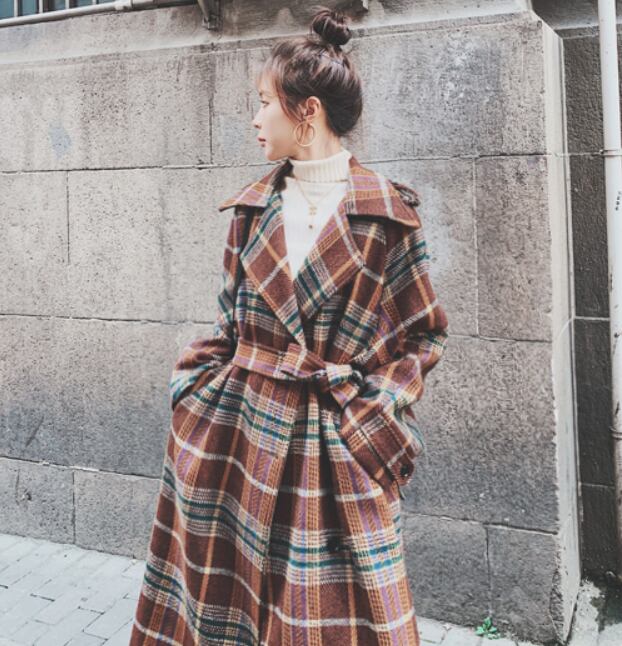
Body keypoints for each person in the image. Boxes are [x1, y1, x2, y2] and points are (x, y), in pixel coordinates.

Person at [130, 5, 449, 645]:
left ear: (308, 112)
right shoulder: (250, 212)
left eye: (264, 103)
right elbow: (227, 326)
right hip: (239, 439)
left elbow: (424, 336)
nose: (255, 119)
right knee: (229, 610)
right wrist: (193, 390)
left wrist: (373, 409)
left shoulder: (388, 216)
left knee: (336, 620)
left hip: (335, 444)